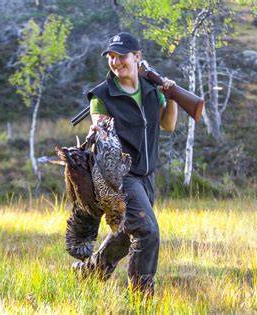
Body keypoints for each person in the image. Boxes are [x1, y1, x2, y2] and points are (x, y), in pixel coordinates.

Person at [72, 32, 178, 297]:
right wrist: (99, 128)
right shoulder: (101, 95)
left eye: (121, 55)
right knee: (147, 231)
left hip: (146, 173)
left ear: (137, 57)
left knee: (126, 230)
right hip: (119, 175)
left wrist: (172, 95)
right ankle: (141, 298)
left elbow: (169, 124)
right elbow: (99, 124)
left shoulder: (152, 89)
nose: (115, 61)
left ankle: (91, 272)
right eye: (111, 56)